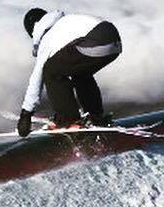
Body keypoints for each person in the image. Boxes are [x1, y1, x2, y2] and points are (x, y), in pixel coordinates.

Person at [17, 8, 122, 137]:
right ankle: (95, 116)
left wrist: (26, 114)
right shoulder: (64, 23)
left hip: (95, 41)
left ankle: (68, 120)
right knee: (80, 71)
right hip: (114, 40)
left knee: (51, 71)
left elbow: (37, 78)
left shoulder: (48, 37)